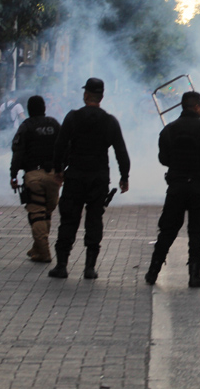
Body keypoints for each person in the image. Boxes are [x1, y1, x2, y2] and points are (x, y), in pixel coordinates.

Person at [49, 78, 130, 279]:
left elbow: (59, 145)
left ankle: (61, 265)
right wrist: (124, 177)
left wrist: (59, 169)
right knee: (94, 220)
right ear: (101, 97)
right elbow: (121, 151)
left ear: (85, 95)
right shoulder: (110, 121)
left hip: (75, 175)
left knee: (69, 219)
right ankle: (89, 267)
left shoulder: (73, 117)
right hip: (99, 177)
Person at [145, 91, 200, 286]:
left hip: (177, 186)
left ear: (182, 106)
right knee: (197, 232)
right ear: (199, 105)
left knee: (168, 230)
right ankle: (194, 275)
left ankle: (153, 272)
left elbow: (163, 159)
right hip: (199, 187)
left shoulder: (169, 129)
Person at [9, 96, 61, 263]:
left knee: (37, 213)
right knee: (46, 212)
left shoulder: (26, 126)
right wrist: (62, 170)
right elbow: (65, 147)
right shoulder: (54, 124)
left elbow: (18, 152)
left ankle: (44, 252)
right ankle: (37, 248)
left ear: (29, 109)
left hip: (33, 175)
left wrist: (13, 175)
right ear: (44, 108)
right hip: (53, 176)